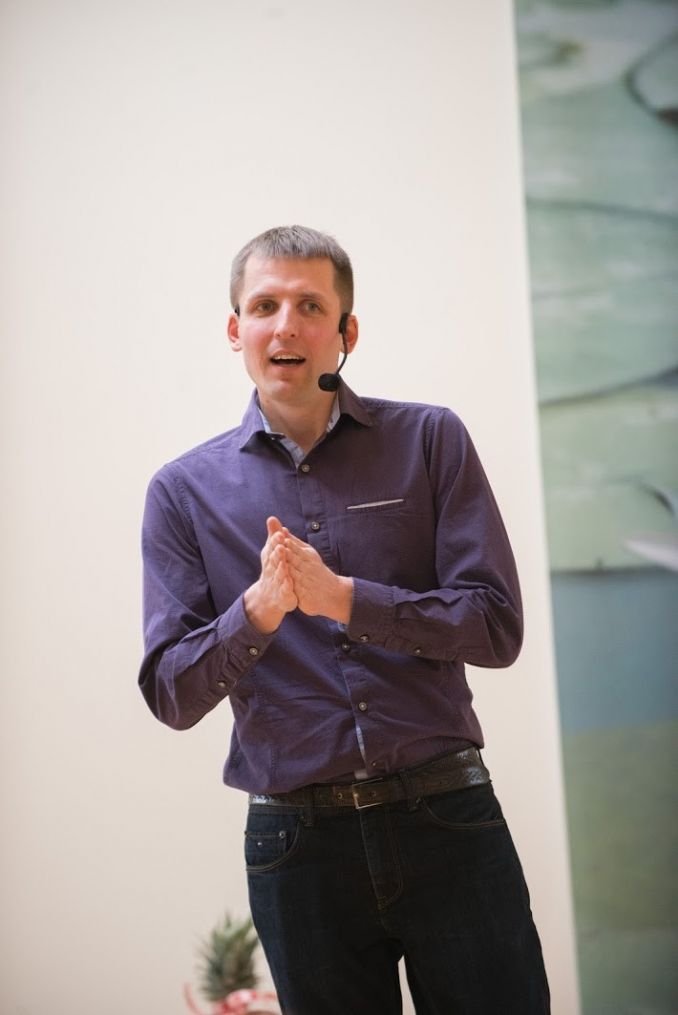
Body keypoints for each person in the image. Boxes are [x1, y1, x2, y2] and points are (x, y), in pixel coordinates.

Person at [139, 225, 550, 1014]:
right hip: (297, 847)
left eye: (309, 305)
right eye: (265, 305)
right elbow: (172, 693)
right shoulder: (182, 493)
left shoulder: (430, 440)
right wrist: (256, 612)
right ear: (235, 329)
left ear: (346, 331)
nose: (285, 325)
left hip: (447, 814)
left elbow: (495, 624)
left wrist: (346, 599)